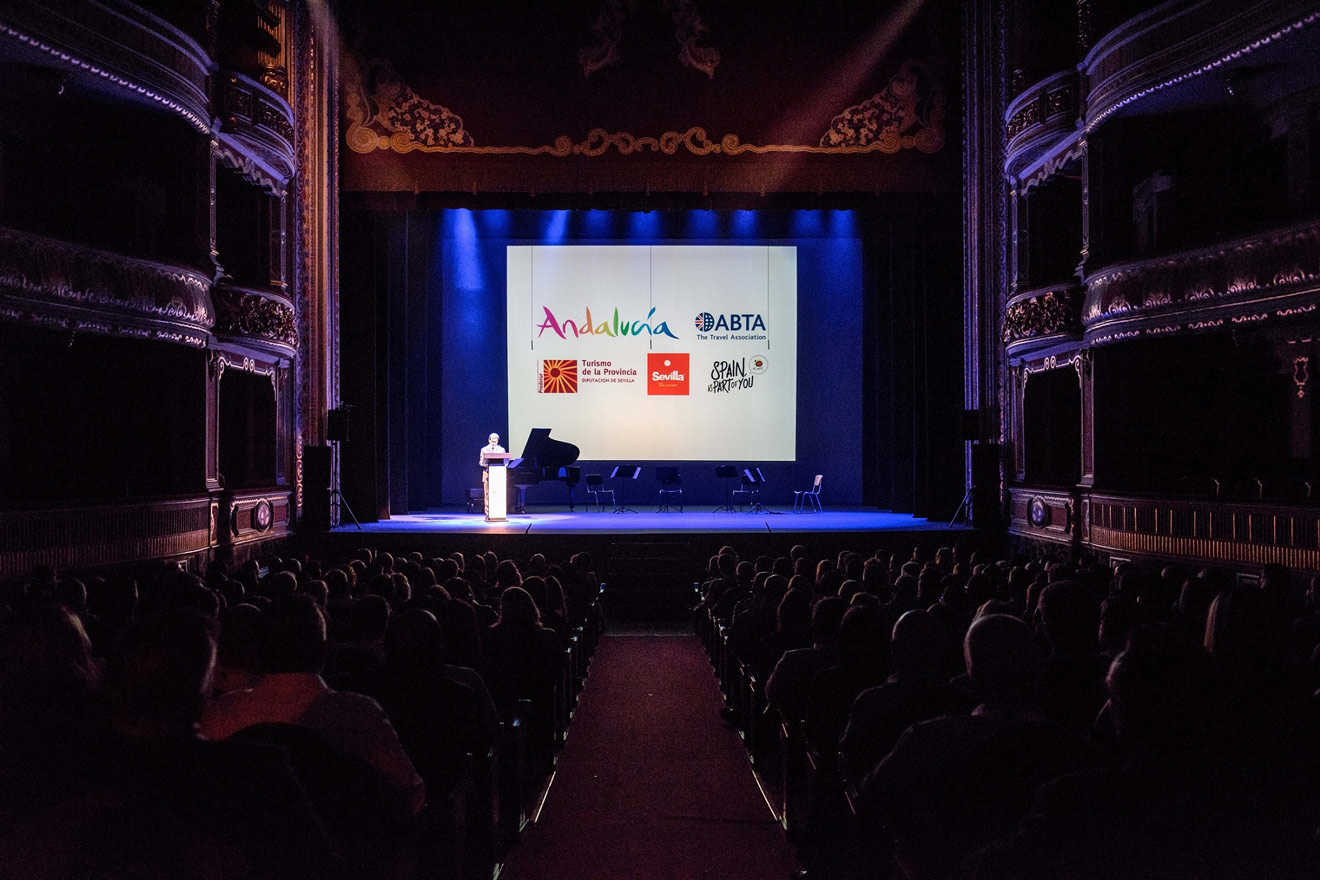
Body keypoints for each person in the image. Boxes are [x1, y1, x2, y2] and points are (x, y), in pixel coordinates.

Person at [479, 432, 505, 514]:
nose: (494, 443)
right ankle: (487, 512)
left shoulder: (501, 450)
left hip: (498, 474)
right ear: (489, 440)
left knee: (498, 493)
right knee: (487, 493)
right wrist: (486, 463)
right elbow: (481, 462)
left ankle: (497, 511)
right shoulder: (484, 449)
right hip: (487, 473)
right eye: (492, 441)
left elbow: (505, 461)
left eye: (495, 442)